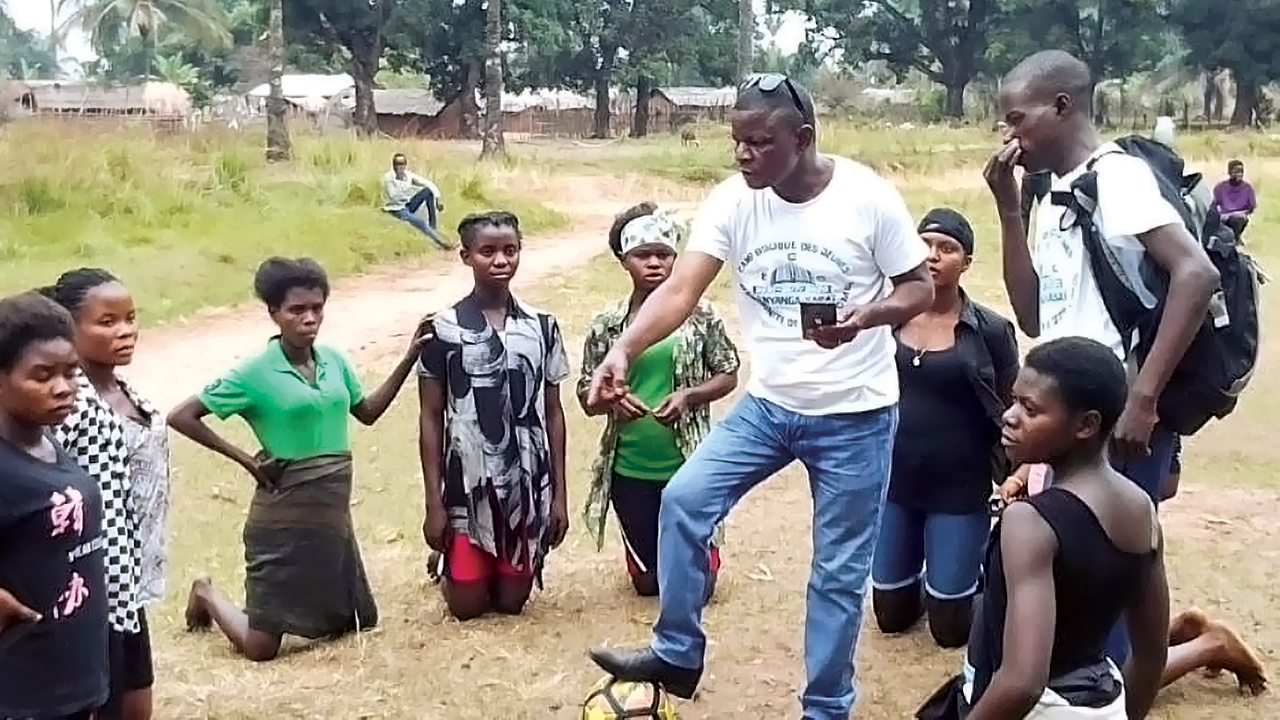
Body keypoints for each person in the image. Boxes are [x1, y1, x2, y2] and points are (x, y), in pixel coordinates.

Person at [586, 75, 934, 717]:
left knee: (837, 574)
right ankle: (678, 651)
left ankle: (825, 707)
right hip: (770, 407)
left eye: (759, 143)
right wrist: (623, 349)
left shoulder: (867, 198)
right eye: (737, 142)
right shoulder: (733, 200)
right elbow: (680, 291)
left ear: (801, 140)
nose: (744, 155)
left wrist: (867, 316)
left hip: (856, 413)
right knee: (686, 500)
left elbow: (920, 290)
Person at [985, 49, 1219, 665]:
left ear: (1062, 107)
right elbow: (1034, 315)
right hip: (1073, 415)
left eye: (1017, 119)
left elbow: (1196, 273)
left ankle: (1160, 667)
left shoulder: (1115, 176)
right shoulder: (1052, 191)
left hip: (1118, 417)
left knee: (1111, 570)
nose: (1010, 135)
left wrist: (1142, 400)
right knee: (1091, 574)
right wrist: (1010, 209)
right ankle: (1179, 650)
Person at [167, 257, 428, 662]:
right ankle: (206, 593)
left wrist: (410, 356)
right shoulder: (254, 372)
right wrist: (248, 461)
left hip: (330, 510)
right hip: (283, 513)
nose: (309, 318)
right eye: (296, 310)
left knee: (357, 621)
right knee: (260, 648)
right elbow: (181, 416)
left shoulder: (334, 360)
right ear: (274, 314)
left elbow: (368, 412)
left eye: (317, 308)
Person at [938, 336, 1170, 720]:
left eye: (1030, 409)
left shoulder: (1030, 521)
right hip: (1101, 704)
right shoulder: (1141, 508)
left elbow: (1022, 682)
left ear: (1086, 425)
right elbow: (1150, 654)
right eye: (1014, 401)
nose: (1010, 416)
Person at [871, 208, 1019, 650]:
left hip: (959, 488)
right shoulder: (886, 316)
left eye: (947, 249)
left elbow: (1014, 407)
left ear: (966, 262)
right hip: (895, 482)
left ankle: (985, 589)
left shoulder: (990, 330)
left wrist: (1019, 472)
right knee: (891, 618)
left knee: (951, 632)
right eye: (925, 246)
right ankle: (923, 574)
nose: (933, 256)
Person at [578, 202, 741, 598]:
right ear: (623, 261)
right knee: (649, 587)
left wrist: (689, 396)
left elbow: (729, 373)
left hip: (688, 461)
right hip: (630, 466)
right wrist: (611, 401)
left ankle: (699, 555)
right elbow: (587, 395)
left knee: (696, 587)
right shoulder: (607, 325)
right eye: (642, 255)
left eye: (663, 254)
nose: (653, 263)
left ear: (676, 259)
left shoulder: (702, 317)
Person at [418, 211, 571, 621]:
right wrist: (434, 503)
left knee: (511, 603)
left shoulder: (543, 326)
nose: (500, 261)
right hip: (468, 480)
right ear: (466, 256)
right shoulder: (442, 328)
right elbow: (431, 417)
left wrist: (559, 496)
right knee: (467, 608)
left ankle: (500, 561)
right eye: (488, 252)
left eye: (510, 250)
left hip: (526, 477)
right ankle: (447, 563)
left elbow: (553, 413)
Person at [41, 269, 168, 720]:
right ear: (69, 329)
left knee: (136, 704)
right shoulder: (66, 405)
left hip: (126, 585)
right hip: (86, 587)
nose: (126, 331)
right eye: (107, 321)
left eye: (131, 318)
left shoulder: (124, 391)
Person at [0, 292, 110, 720]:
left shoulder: (44, 439)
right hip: (20, 695)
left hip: (73, 676)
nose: (63, 388)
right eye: (42, 375)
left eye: (71, 373)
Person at [383, 152, 451, 249]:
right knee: (421, 223)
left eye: (402, 163)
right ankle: (443, 244)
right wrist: (409, 192)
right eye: (397, 164)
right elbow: (393, 196)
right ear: (393, 166)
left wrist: (437, 199)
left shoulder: (408, 175)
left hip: (406, 204)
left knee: (428, 192)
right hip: (396, 209)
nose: (400, 167)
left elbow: (427, 184)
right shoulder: (388, 178)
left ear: (406, 165)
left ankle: (433, 228)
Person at [1212, 159, 1257, 242]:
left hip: (1239, 215)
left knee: (1237, 220)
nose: (1239, 174)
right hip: (1223, 215)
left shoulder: (1247, 188)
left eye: (1241, 171)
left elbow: (1251, 207)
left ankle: (1234, 240)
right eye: (1236, 171)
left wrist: (1241, 213)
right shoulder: (1220, 187)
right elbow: (1214, 204)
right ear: (1229, 172)